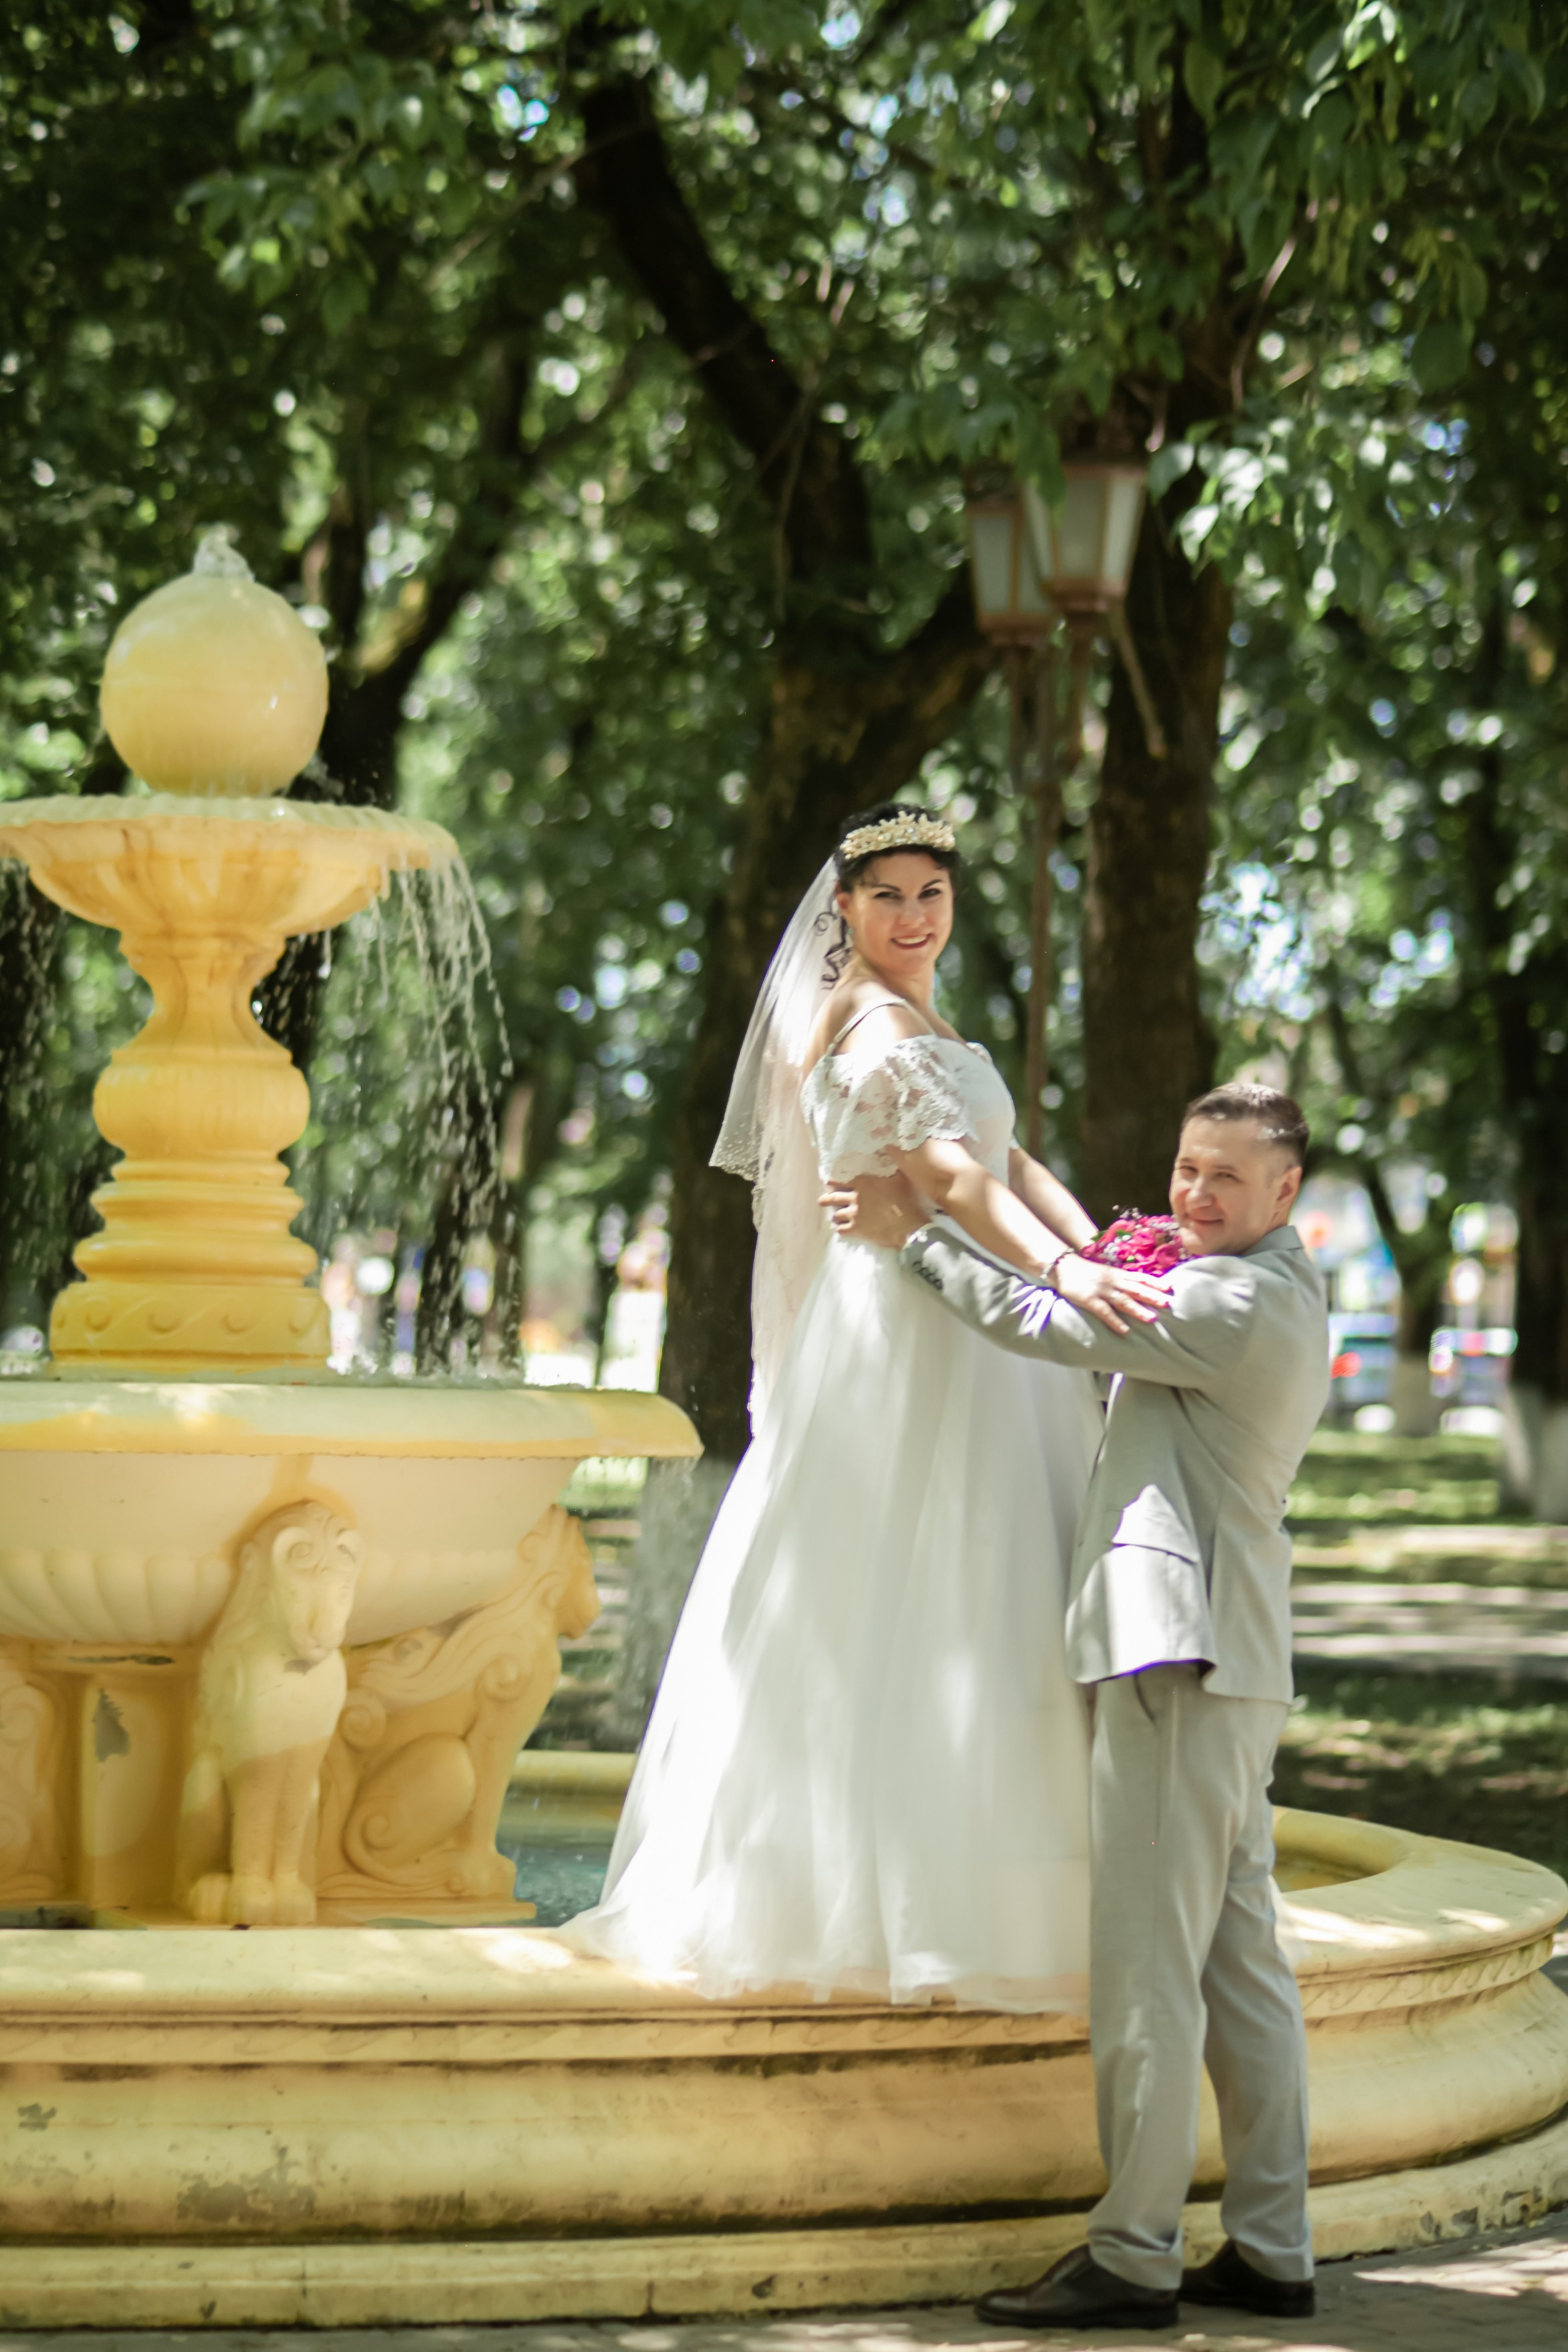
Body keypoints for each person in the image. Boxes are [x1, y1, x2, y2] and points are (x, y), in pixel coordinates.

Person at [560, 803, 1167, 2008]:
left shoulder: (933, 1021)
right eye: (887, 895)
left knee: (987, 1582)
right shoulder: (870, 1023)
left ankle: (998, 1884)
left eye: (931, 894)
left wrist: (1103, 1239)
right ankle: (880, 1909)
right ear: (844, 908)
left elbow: (1005, 1158)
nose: (912, 915)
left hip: (970, 1312)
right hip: (906, 1330)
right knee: (906, 1582)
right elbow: (944, 1176)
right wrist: (1063, 1274)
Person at [825, 1081, 1329, 2330]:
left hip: (1178, 1658)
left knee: (1153, 1971)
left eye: (1227, 1175)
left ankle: (1133, 2255)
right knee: (1243, 1963)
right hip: (1236, 1665)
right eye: (1186, 1165)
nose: (1195, 1194)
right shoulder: (1279, 1285)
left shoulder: (1228, 1298)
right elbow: (1095, 1259)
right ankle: (1273, 2245)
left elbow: (1049, 1318)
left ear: (1286, 1193)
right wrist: (996, 1159)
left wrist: (917, 1234)